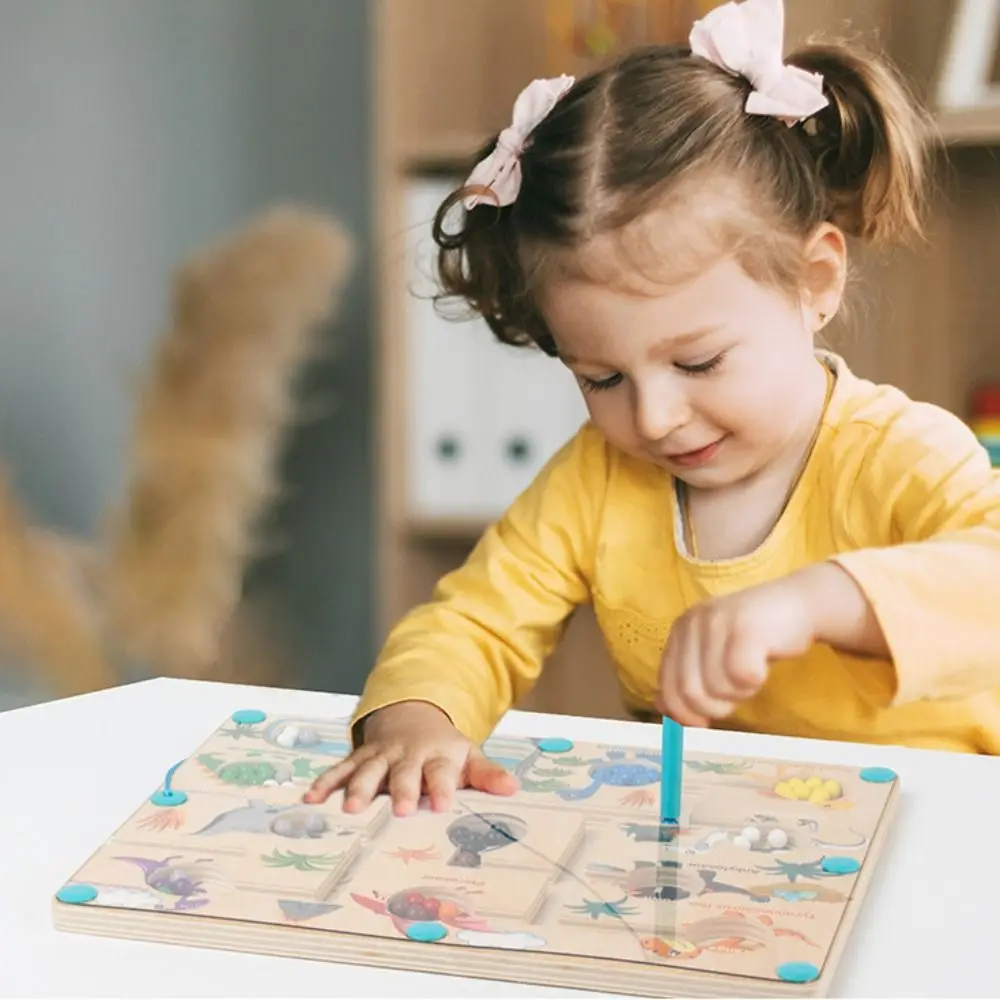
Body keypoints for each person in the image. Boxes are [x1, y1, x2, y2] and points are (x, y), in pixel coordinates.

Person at [306, 0, 1000, 816]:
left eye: (698, 361)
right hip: (728, 848)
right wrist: (417, 717)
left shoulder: (900, 452)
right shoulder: (596, 481)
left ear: (814, 283)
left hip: (945, 830)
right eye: (601, 379)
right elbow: (472, 625)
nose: (657, 417)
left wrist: (814, 600)